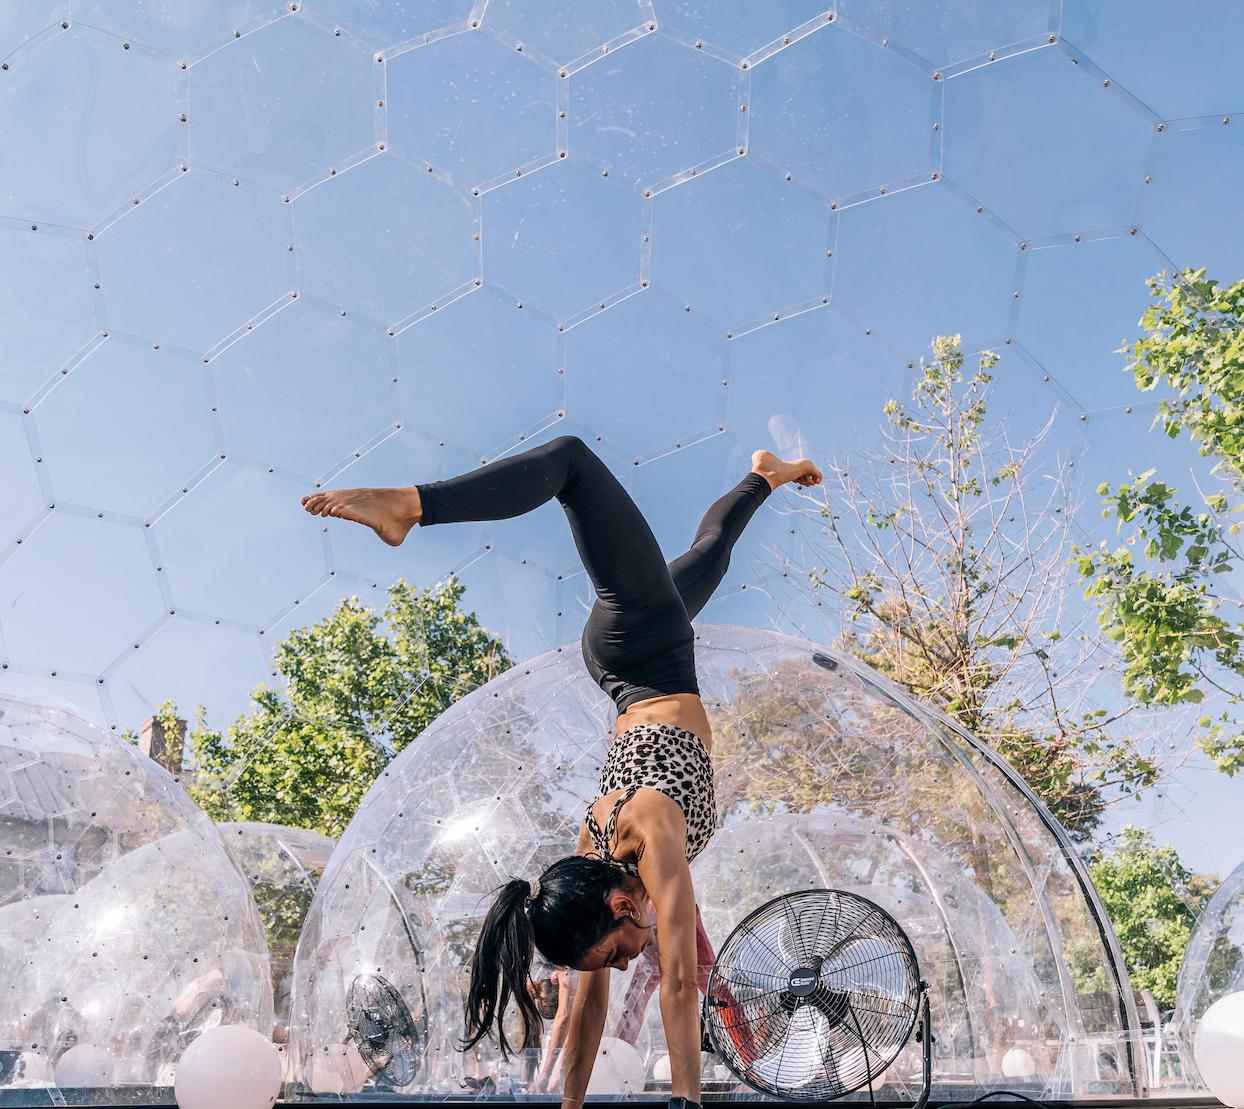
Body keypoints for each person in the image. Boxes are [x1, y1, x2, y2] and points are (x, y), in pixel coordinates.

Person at [301, 434, 822, 1107]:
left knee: (572, 462)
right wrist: (571, 1106)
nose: (628, 958)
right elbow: (585, 1016)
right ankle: (765, 476)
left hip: (639, 642)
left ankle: (407, 506)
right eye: (613, 959)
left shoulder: (651, 828)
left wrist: (687, 1102)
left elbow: (681, 982)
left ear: (621, 904)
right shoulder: (593, 855)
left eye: (614, 951)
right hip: (645, 656)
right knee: (711, 559)